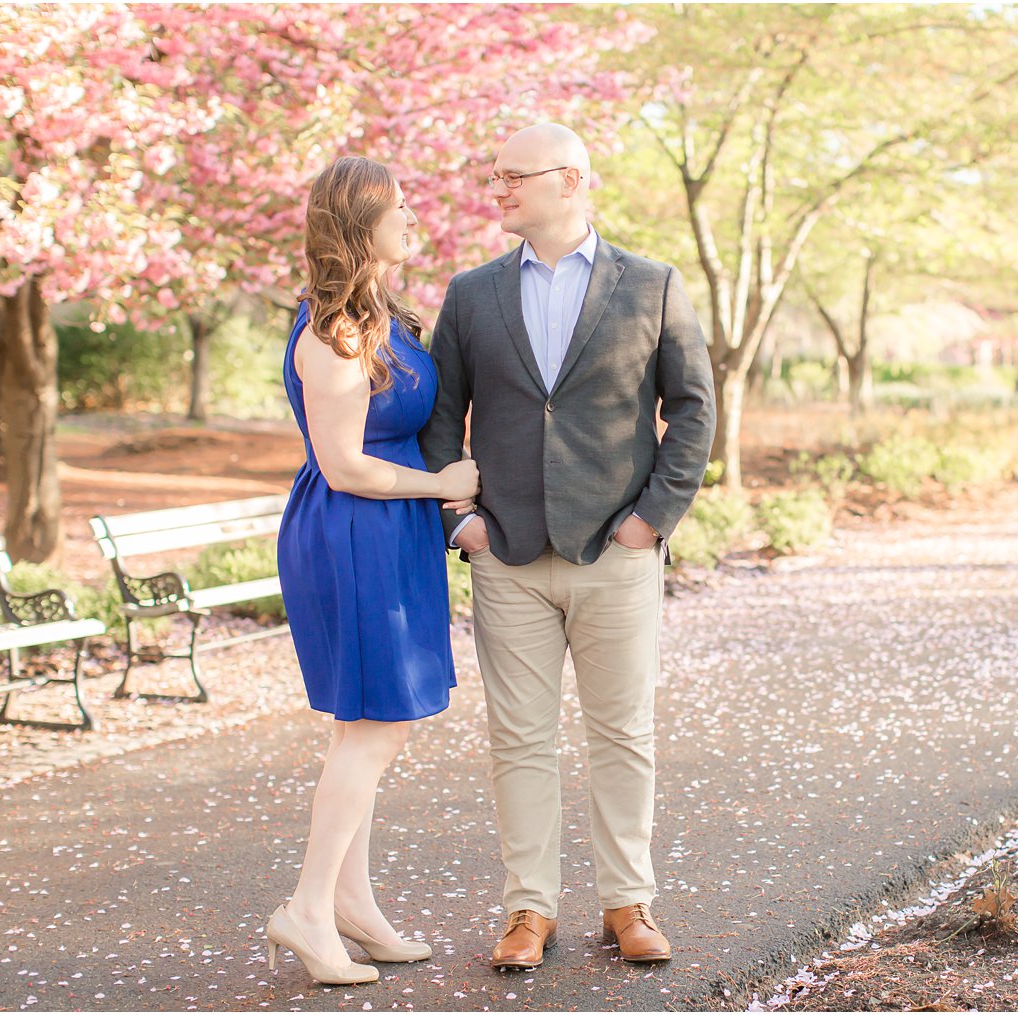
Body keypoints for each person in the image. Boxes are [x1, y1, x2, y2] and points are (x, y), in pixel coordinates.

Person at [420, 123, 715, 971]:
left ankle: (629, 901)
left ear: (571, 181)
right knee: (518, 736)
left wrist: (651, 519)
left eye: (515, 176)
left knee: (622, 732)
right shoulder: (471, 293)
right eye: (495, 174)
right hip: (504, 553)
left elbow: (693, 407)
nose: (499, 188)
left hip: (615, 548)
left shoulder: (652, 284)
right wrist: (459, 520)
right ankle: (527, 909)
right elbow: (442, 418)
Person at [266, 155, 480, 986]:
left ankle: (351, 901)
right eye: (397, 206)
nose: (412, 217)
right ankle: (309, 909)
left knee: (366, 725)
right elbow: (346, 462)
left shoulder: (381, 315)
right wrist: (444, 484)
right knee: (379, 722)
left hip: (391, 534)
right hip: (355, 528)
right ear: (359, 225)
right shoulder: (334, 332)